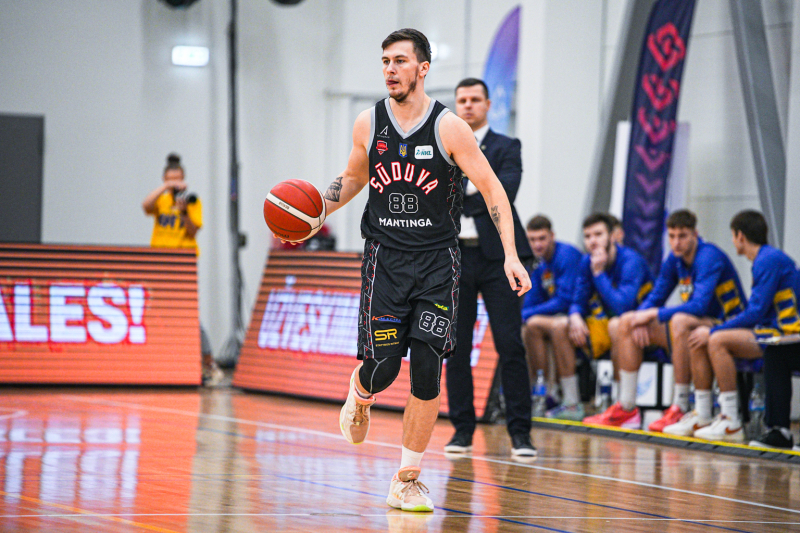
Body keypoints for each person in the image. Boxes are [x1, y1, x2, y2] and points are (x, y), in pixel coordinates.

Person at [312, 29, 531, 513]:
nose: (390, 69)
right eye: (385, 61)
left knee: (428, 369)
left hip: (437, 264)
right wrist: (317, 210)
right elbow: (353, 176)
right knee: (385, 368)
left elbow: (493, 190)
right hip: (385, 262)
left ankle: (406, 479)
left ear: (423, 68)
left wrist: (511, 255)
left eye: (400, 61)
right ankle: (361, 394)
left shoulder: (450, 128)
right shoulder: (369, 122)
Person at [584, 209, 745, 429]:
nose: (676, 242)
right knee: (627, 321)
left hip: (727, 323)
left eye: (682, 236)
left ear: (695, 234)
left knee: (679, 321)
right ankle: (626, 407)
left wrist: (652, 314)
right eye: (672, 236)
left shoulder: (708, 256)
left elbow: (699, 305)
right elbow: (656, 296)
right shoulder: (674, 259)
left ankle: (680, 405)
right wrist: (640, 318)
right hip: (696, 324)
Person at [443, 78, 534, 456]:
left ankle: (520, 434)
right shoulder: (443, 146)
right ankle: (462, 431)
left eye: (475, 99)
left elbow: (504, 193)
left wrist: (462, 193)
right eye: (462, 99)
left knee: (510, 345)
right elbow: (434, 196)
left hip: (500, 258)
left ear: (488, 104)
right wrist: (480, 187)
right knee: (455, 347)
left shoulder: (506, 146)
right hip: (455, 258)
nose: (467, 105)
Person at [670, 210, 800, 442]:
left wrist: (714, 329)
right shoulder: (765, 258)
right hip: (772, 331)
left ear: (740, 236)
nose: (732, 241)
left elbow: (755, 312)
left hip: (785, 334)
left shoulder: (767, 259)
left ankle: (730, 419)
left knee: (716, 340)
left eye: (732, 236)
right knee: (700, 337)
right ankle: (703, 413)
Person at [543, 213, 652, 421]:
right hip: (603, 325)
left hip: (640, 328)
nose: (592, 241)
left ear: (612, 236)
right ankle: (571, 403)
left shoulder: (631, 261)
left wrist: (599, 273)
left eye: (598, 234)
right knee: (560, 325)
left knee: (617, 325)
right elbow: (578, 299)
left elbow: (623, 307)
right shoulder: (587, 261)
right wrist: (575, 315)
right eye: (588, 236)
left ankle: (621, 405)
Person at [142, 153, 222, 386]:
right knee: (156, 312)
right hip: (159, 262)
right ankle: (162, 363)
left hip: (183, 263)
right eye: (171, 180)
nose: (175, 184)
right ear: (165, 180)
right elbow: (145, 205)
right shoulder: (160, 200)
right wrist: (165, 188)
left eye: (178, 180)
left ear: (185, 179)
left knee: (189, 314)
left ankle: (208, 363)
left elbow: (193, 231)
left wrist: (184, 211)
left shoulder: (192, 201)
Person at [521, 215, 582, 398]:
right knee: (525, 329)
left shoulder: (567, 255)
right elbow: (533, 298)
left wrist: (526, 314)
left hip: (582, 314)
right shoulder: (538, 262)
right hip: (560, 314)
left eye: (542, 238)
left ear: (552, 236)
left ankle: (569, 398)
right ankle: (542, 393)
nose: (537, 244)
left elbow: (564, 300)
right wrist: (520, 315)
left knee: (542, 324)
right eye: (532, 239)